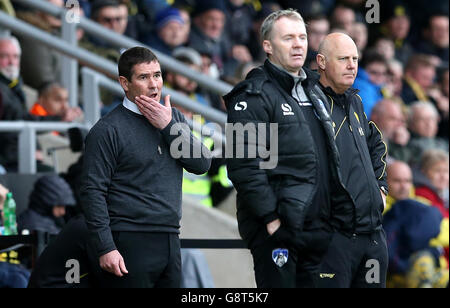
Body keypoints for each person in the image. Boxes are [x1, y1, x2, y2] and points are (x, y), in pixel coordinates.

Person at [224, 9, 338, 288]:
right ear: (267, 46)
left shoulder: (318, 90)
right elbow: (243, 165)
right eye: (288, 38)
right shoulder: (252, 94)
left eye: (302, 37)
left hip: (320, 228)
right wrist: (271, 219)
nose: (299, 44)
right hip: (278, 230)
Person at [79, 46, 211, 288]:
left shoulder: (174, 119)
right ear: (124, 83)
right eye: (144, 77)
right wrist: (106, 247)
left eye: (157, 75)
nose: (154, 85)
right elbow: (92, 191)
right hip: (128, 240)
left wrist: (168, 126)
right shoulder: (108, 130)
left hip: (170, 238)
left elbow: (201, 163)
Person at [315, 33, 389, 288]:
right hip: (335, 236)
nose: (352, 65)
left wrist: (381, 188)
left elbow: (376, 143)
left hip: (373, 236)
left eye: (355, 58)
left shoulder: (354, 101)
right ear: (322, 62)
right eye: (343, 58)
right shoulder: (310, 104)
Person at [383, 161, 448, 288]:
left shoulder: (422, 203)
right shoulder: (380, 209)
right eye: (397, 181)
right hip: (397, 275)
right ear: (385, 181)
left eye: (407, 181)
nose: (403, 186)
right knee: (422, 263)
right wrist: (428, 236)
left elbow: (446, 232)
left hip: (437, 271)